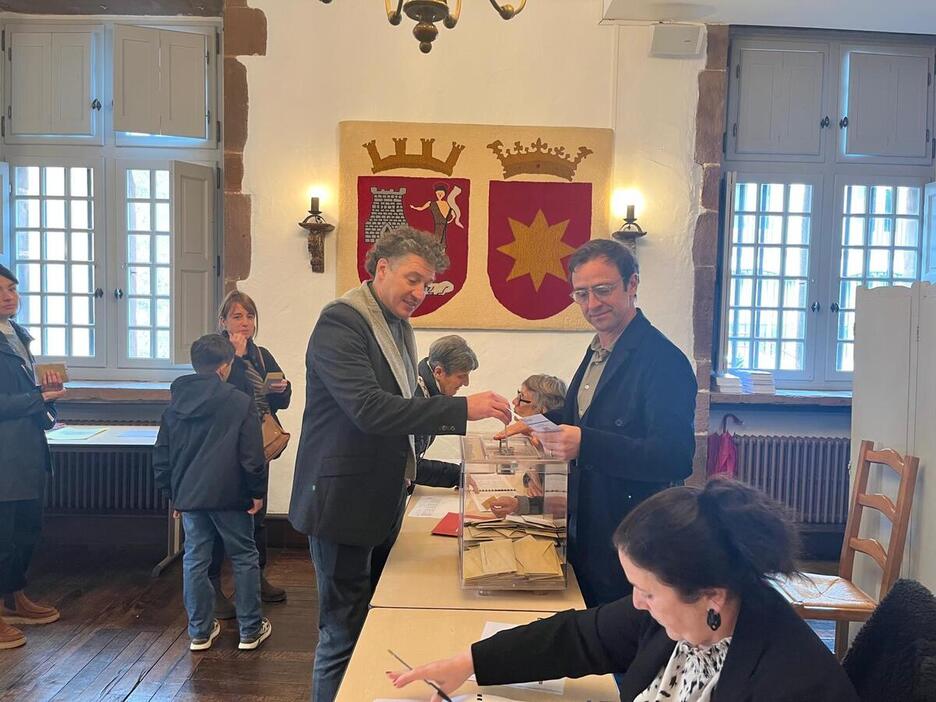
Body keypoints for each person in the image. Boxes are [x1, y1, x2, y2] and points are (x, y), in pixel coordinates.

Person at [288, 227, 512, 702]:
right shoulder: (341, 323)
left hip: (378, 500)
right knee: (340, 637)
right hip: (341, 507)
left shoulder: (395, 327)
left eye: (427, 284)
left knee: (372, 625)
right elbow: (370, 409)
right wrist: (462, 410)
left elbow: (402, 418)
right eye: (412, 279)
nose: (419, 293)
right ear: (381, 268)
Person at [389, 480, 860, 702]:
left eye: (647, 592)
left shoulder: (794, 684)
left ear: (712, 596)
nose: (636, 603)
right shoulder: (681, 615)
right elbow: (578, 636)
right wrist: (466, 663)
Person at [498, 239, 697, 607]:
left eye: (603, 290)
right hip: (587, 531)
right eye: (581, 294)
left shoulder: (664, 360)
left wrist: (585, 443)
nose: (592, 304)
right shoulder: (597, 350)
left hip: (631, 539)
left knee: (618, 653)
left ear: (632, 284)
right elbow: (581, 418)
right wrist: (537, 423)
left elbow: (674, 456)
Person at [153, 334, 272, 652]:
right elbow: (252, 454)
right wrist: (257, 491)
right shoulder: (239, 402)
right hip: (231, 495)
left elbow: (163, 454)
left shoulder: (175, 404)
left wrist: (173, 494)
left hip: (190, 497)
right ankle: (250, 630)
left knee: (195, 560)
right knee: (245, 557)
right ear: (225, 367)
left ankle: (199, 632)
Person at [210, 290, 291, 617]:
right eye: (237, 316)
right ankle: (212, 586)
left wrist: (282, 389)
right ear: (223, 321)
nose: (245, 323)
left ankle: (257, 576)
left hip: (256, 444)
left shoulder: (261, 354)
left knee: (257, 515)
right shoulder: (214, 354)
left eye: (250, 316)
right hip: (222, 447)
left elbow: (278, 402)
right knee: (219, 518)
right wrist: (237, 360)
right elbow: (221, 396)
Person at [0, 264, 64, 651]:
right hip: (4, 454)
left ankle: (14, 596)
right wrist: (36, 399)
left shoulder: (17, 335)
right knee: (1, 535)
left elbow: (26, 390)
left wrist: (46, 400)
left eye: (12, 288)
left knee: (26, 529)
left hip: (26, 449)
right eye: (1, 290)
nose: (10, 296)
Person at [489, 374, 568, 518]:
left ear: (542, 411)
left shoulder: (558, 453)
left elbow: (560, 504)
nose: (514, 402)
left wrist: (519, 504)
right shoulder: (534, 442)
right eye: (517, 394)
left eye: (522, 398)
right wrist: (530, 479)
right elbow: (531, 475)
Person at [413, 334, 479, 489]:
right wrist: (457, 474)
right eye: (461, 376)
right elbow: (409, 465)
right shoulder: (415, 396)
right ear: (438, 372)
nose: (466, 383)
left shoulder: (426, 391)